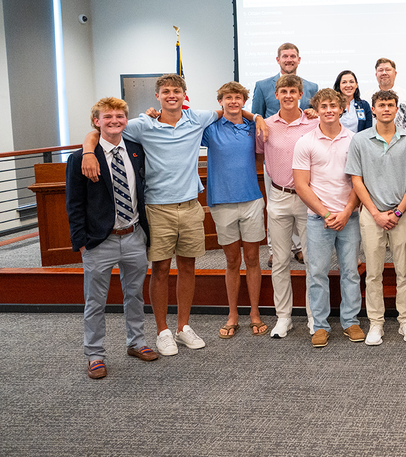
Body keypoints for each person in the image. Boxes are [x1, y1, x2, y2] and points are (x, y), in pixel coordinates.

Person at [80, 74, 261, 356]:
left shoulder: (197, 119)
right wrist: (87, 151)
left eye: (176, 91)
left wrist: (258, 117)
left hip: (190, 206)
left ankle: (183, 327)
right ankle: (163, 330)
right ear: (158, 96)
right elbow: (101, 130)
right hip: (157, 208)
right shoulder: (142, 125)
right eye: (165, 91)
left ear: (184, 95)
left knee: (188, 268)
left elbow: (231, 108)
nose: (171, 95)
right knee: (161, 270)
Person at [67, 97, 157, 379]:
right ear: (97, 122)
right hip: (99, 241)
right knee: (95, 301)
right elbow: (74, 202)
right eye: (108, 117)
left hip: (133, 235)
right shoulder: (81, 158)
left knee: (135, 294)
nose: (115, 121)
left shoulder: (135, 150)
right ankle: (94, 354)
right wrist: (81, 240)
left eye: (120, 116)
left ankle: (137, 342)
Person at [346, 89, 406, 346]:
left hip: (401, 214)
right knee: (373, 273)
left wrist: (399, 212)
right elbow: (356, 181)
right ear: (374, 109)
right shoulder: (359, 140)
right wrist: (376, 213)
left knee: (404, 271)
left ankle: (405, 321)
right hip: (371, 215)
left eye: (391, 104)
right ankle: (376, 323)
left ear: (396, 108)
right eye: (382, 105)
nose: (387, 109)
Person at [292, 88, 364, 348]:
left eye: (334, 105)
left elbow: (359, 181)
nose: (329, 110)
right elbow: (301, 185)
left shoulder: (354, 140)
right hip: (318, 219)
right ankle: (320, 326)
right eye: (324, 106)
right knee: (317, 274)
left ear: (342, 107)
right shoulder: (305, 141)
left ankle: (350, 322)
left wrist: (345, 212)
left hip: (349, 217)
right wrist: (325, 213)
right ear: (317, 110)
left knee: (351, 273)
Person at [255, 75, 319, 338]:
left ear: (301, 94)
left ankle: (315, 318)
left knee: (313, 261)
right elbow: (260, 155)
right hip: (279, 196)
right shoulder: (266, 125)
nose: (289, 95)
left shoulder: (314, 123)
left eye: (293, 91)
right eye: (284, 91)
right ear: (277, 94)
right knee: (280, 261)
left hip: (308, 198)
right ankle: (284, 317)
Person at [202, 82, 266, 339]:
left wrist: (256, 116)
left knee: (252, 259)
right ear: (220, 101)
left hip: (251, 200)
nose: (233, 102)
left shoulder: (254, 127)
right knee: (231, 261)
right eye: (228, 98)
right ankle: (232, 314)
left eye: (237, 97)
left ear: (244, 100)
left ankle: (254, 313)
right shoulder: (210, 129)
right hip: (222, 202)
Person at [251, 42, 319, 117]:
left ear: (299, 60)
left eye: (292, 56)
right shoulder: (262, 87)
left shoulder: (312, 87)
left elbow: (317, 116)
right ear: (278, 60)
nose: (289, 60)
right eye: (285, 56)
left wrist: (314, 112)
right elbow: (256, 118)